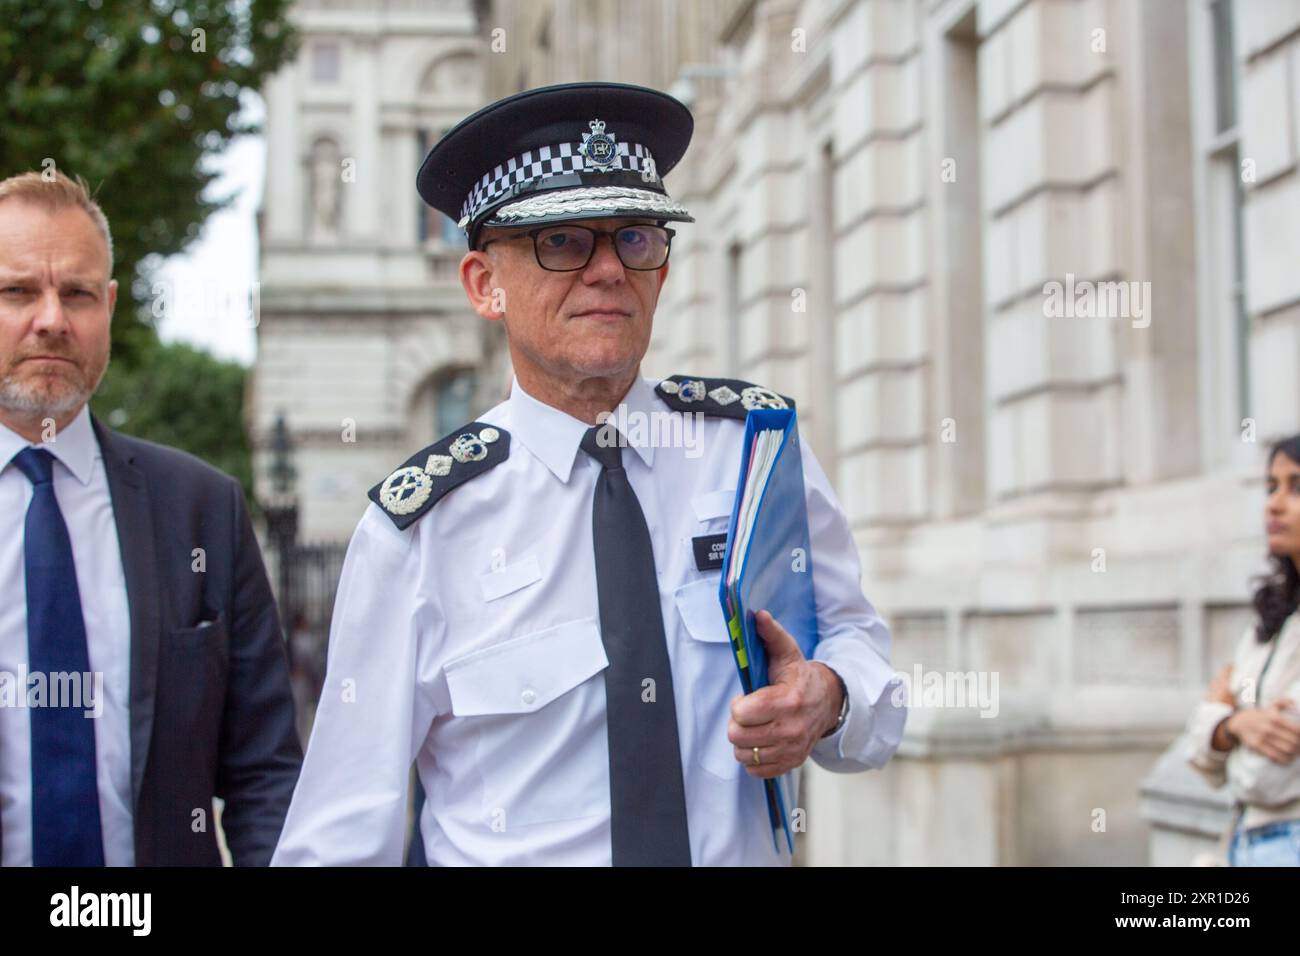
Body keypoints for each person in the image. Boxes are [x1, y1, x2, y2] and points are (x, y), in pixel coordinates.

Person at [272, 81, 905, 867]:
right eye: (562, 242)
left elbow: (860, 653)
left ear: (662, 274)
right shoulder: (421, 531)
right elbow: (339, 835)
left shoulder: (752, 455)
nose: (608, 269)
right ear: (484, 285)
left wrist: (830, 697)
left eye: (635, 238)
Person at [0, 171, 302, 866]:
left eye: (78, 294)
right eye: (17, 292)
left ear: (109, 306)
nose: (51, 319)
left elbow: (265, 772)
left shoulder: (202, 510)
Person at [1187, 433, 1300, 865]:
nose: (1274, 504)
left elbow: (1265, 776)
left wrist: (1224, 717)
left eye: (1296, 487)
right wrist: (1236, 724)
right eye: (1271, 487)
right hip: (1243, 842)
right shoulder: (1273, 617)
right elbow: (1198, 752)